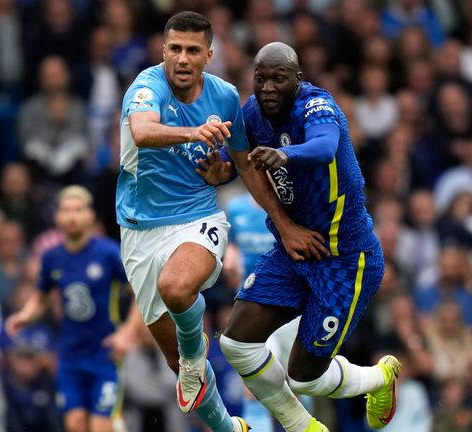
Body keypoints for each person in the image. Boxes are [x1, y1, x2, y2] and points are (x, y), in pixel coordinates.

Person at [201, 42, 400, 432]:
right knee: (235, 344)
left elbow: (325, 147)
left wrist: (286, 155)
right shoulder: (252, 113)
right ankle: (301, 426)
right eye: (261, 79)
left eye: (279, 78)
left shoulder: (317, 106)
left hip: (345, 259)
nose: (269, 87)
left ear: (298, 79)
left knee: (305, 377)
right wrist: (220, 171)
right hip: (292, 250)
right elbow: (238, 162)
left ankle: (381, 378)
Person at [115, 11, 250, 432]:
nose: (182, 58)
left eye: (193, 50)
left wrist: (222, 172)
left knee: (176, 287)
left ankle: (197, 353)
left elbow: (240, 163)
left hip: (198, 217)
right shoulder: (146, 86)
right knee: (175, 364)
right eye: (175, 48)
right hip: (139, 232)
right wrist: (195, 133)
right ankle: (229, 430)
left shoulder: (226, 96)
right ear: (163, 50)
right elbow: (142, 131)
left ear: (209, 55)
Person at [7, 185, 139, 432]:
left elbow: (140, 296)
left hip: (105, 355)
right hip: (69, 357)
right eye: (66, 210)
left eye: (78, 210)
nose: (72, 216)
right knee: (75, 425)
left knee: (101, 426)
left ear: (90, 216)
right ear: (57, 217)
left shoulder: (108, 253)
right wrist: (24, 316)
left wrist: (127, 334)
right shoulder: (51, 257)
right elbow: (41, 296)